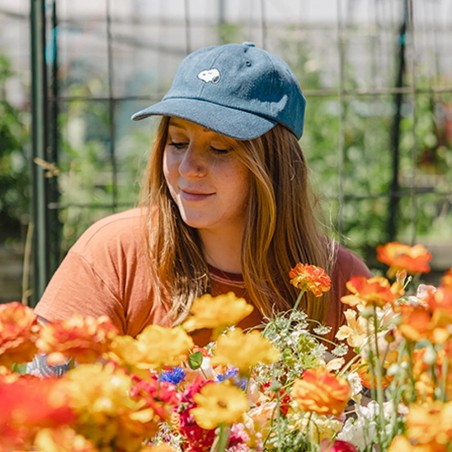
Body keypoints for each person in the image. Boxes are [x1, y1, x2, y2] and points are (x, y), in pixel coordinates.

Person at [33, 42, 371, 357]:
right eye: (177, 142)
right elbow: (40, 396)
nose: (188, 167)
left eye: (220, 148)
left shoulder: (341, 281)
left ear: (275, 165)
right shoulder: (113, 253)